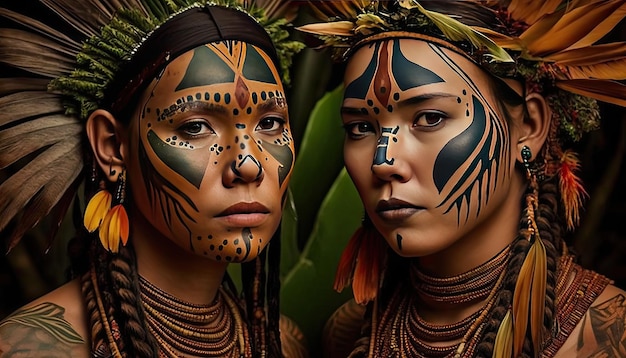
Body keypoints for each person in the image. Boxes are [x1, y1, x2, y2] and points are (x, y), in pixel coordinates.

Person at [299, 0, 626, 357]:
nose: (383, 161)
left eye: (429, 118)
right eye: (361, 127)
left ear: (529, 126)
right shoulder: (348, 333)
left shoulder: (604, 337)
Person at [0, 0, 306, 357]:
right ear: (112, 146)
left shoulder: (284, 344)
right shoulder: (34, 349)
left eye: (270, 123)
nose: (249, 163)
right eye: (195, 127)